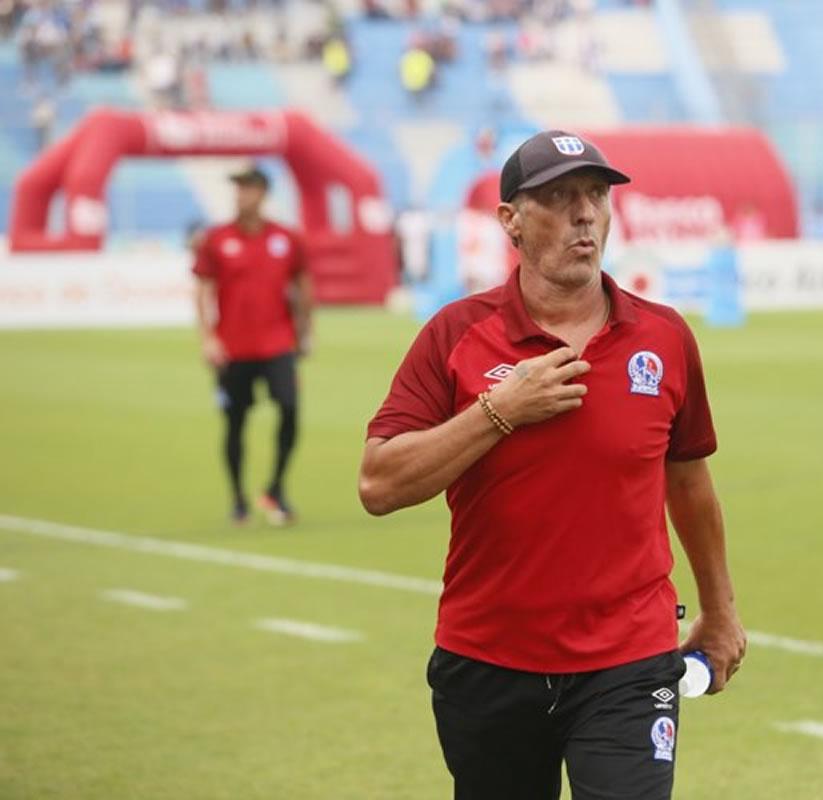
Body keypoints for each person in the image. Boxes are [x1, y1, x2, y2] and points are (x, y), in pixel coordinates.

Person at [359, 130, 747, 800]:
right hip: (487, 659)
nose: (585, 214)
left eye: (596, 195)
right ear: (510, 218)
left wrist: (720, 608)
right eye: (560, 198)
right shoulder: (455, 336)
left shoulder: (664, 337)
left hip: (628, 661)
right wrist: (498, 410)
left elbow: (687, 481)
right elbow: (379, 483)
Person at [193, 164, 313, 525]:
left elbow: (303, 284)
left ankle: (275, 489)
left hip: (278, 343)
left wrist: (306, 330)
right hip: (234, 348)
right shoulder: (216, 239)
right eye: (237, 188)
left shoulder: (286, 239)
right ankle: (238, 498)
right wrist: (208, 337)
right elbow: (202, 288)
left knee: (290, 410)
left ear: (262, 192)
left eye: (247, 187)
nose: (240, 194)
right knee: (235, 423)